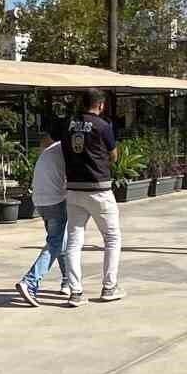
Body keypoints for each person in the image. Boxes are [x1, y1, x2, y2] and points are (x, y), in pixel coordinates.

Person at [61, 89, 122, 305]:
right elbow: (113, 154)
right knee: (112, 237)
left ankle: (75, 292)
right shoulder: (102, 126)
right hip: (99, 188)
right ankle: (109, 287)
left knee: (74, 240)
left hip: (74, 189)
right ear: (101, 105)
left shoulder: (68, 125)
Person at [15, 130, 70, 306]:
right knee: (55, 243)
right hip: (55, 202)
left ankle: (68, 281)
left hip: (40, 201)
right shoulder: (66, 149)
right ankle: (30, 282)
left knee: (60, 241)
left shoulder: (49, 151)